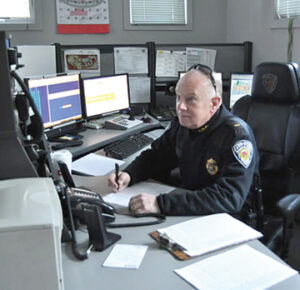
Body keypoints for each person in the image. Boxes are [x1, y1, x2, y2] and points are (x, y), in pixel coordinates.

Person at [108, 64, 259, 216]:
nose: (180, 106)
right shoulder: (183, 125)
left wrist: (160, 204)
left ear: (214, 104)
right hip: (191, 207)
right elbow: (157, 157)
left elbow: (229, 197)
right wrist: (129, 174)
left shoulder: (236, 136)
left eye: (191, 100)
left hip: (228, 218)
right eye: (178, 97)